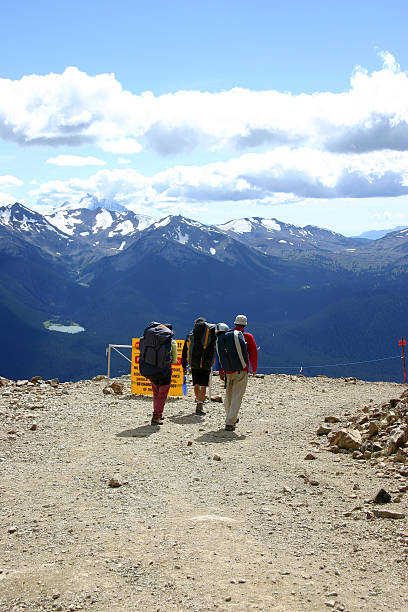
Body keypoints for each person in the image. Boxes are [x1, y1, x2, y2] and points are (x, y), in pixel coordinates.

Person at [217, 314, 258, 431]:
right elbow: (253, 353)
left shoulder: (226, 336)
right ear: (245, 325)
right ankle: (230, 422)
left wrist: (221, 370)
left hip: (228, 371)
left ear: (235, 323)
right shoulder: (247, 336)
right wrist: (253, 369)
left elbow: (220, 354)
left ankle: (231, 417)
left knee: (228, 395)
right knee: (237, 396)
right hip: (242, 370)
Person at [139, 322, 177, 426]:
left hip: (151, 368)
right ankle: (156, 415)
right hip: (164, 370)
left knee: (156, 392)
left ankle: (158, 413)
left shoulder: (151, 341)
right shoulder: (172, 343)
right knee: (163, 393)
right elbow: (174, 360)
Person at [181, 317, 216, 415]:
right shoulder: (210, 333)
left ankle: (198, 400)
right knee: (204, 385)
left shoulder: (191, 335)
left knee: (196, 383)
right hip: (206, 363)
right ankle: (199, 406)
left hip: (194, 363)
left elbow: (185, 351)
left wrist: (184, 365)